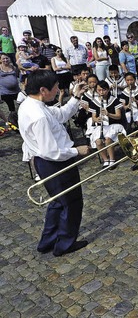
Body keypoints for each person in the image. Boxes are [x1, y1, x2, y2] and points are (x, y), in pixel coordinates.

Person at [18, 70, 90, 256]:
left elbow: (60, 114)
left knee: (57, 202)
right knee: (71, 203)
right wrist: (77, 151)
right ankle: (64, 244)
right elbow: (51, 151)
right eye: (56, 87)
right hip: (55, 162)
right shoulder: (38, 115)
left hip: (48, 161)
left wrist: (75, 97)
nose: (59, 89)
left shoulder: (32, 104)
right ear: (43, 90)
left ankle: (48, 241)